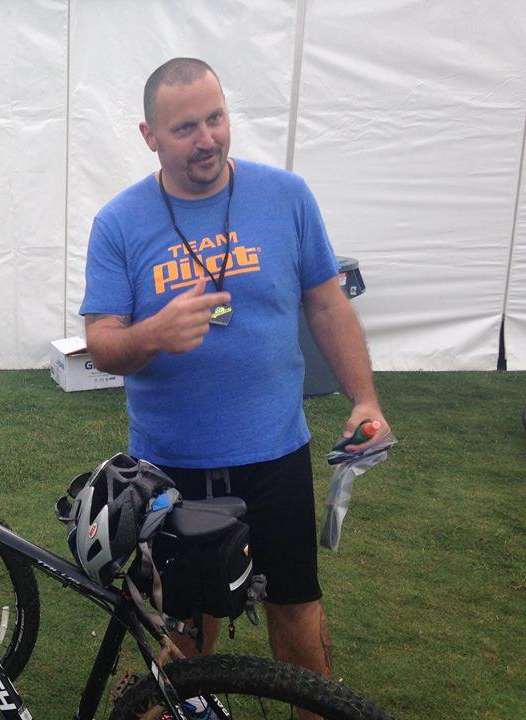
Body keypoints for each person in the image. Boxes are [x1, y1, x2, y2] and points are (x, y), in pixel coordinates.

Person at [80, 57, 391, 717]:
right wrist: (153, 334)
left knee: (298, 621)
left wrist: (364, 398)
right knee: (186, 633)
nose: (207, 139)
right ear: (150, 136)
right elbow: (103, 343)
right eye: (185, 126)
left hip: (274, 456)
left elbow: (328, 305)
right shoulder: (120, 222)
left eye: (215, 118)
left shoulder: (286, 196)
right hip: (171, 466)